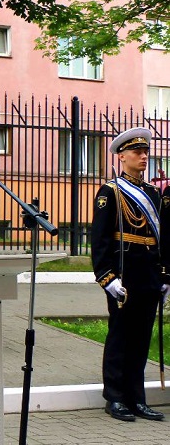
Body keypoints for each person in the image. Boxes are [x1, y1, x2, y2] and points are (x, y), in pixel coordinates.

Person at [92, 127, 167, 422]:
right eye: (137, 152)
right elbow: (100, 239)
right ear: (122, 156)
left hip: (148, 274)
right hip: (124, 273)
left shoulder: (150, 192)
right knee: (120, 336)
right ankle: (115, 397)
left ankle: (137, 398)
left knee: (141, 339)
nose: (143, 156)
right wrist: (107, 277)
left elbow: (160, 239)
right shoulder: (110, 191)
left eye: (146, 151)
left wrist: (164, 276)